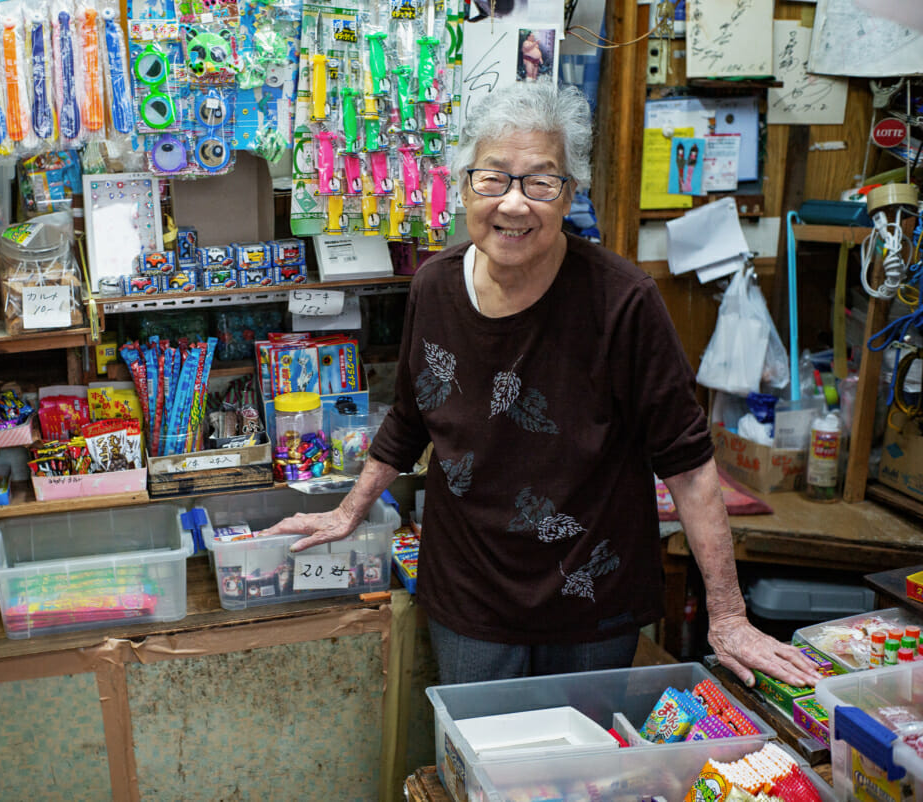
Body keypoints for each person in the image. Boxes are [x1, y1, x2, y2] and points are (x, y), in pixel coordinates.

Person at [260, 82, 821, 690]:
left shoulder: (623, 301)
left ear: (568, 195)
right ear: (464, 184)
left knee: (578, 775)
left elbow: (687, 465)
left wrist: (730, 616)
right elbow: (410, 418)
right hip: (470, 587)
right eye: (493, 178)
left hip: (591, 591)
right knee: (480, 764)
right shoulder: (433, 287)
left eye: (540, 182)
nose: (514, 203)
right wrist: (349, 510)